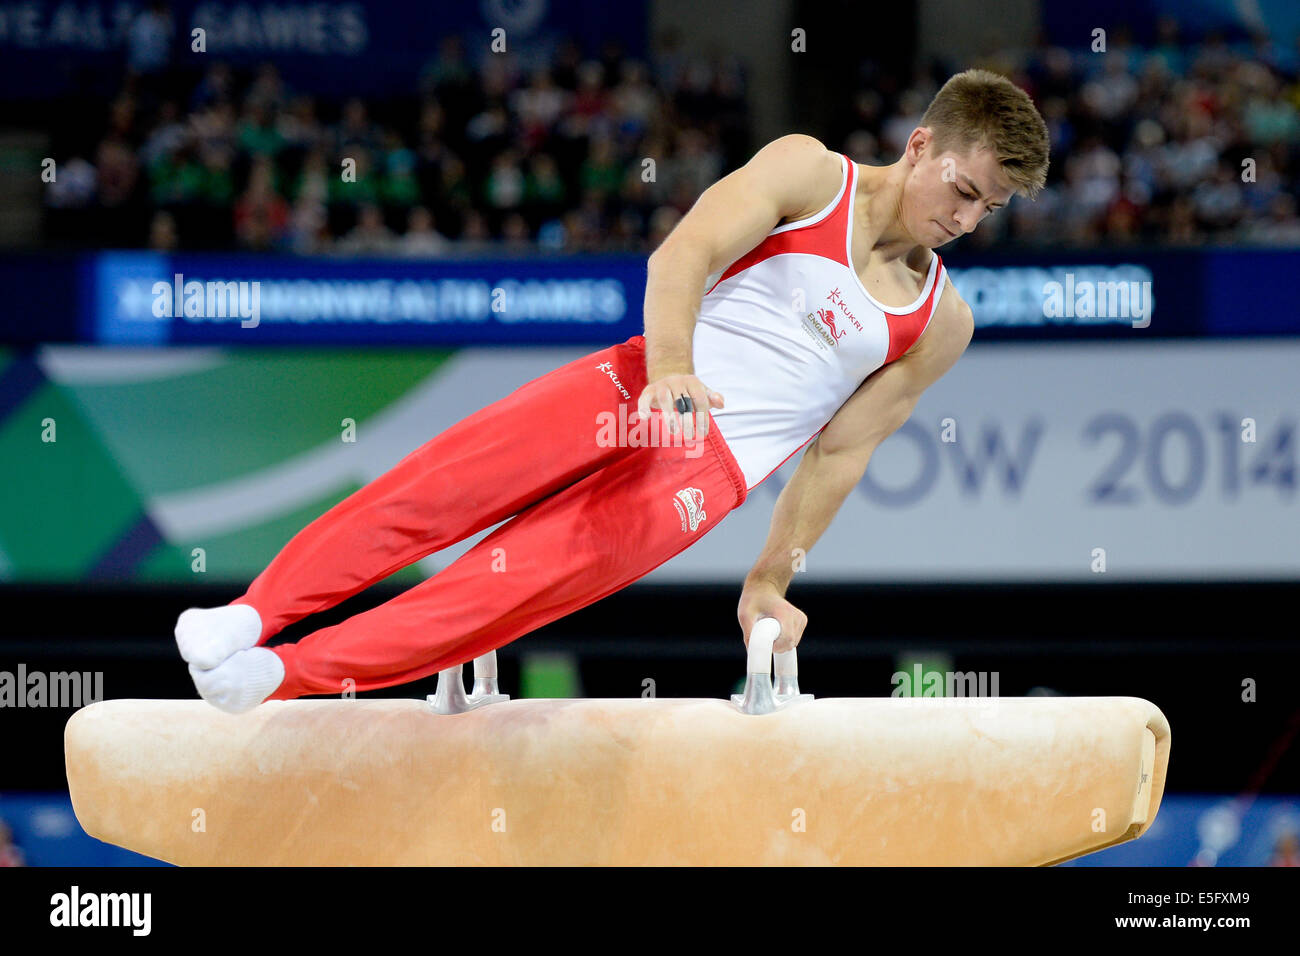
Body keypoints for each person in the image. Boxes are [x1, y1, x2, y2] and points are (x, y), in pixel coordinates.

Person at [177, 69, 1049, 712]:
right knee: (436, 494)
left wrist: (768, 579)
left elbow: (843, 450)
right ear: (922, 145)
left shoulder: (941, 322)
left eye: (990, 210)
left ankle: (286, 676)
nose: (967, 220)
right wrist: (672, 371)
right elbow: (684, 254)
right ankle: (252, 616)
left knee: (497, 591)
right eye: (965, 190)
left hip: (703, 477)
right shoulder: (812, 175)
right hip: (639, 382)